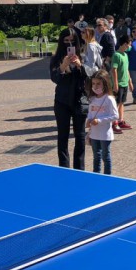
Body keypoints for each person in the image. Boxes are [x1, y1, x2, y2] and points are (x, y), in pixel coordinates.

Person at [49, 28, 86, 170]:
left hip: (79, 100)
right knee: (62, 136)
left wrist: (80, 66)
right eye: (66, 41)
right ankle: (64, 168)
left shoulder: (82, 56)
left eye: (72, 40)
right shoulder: (56, 58)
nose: (69, 44)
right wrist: (63, 66)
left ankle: (79, 169)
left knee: (80, 136)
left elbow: (90, 77)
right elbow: (54, 78)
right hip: (62, 101)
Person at [85, 70, 118, 175]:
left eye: (98, 83)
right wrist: (88, 121)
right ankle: (96, 176)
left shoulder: (109, 99)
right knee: (96, 157)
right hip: (94, 134)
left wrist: (99, 121)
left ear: (105, 83)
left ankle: (107, 177)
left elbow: (115, 116)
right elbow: (90, 113)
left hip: (105, 134)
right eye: (93, 83)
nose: (95, 86)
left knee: (105, 156)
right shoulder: (92, 98)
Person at [110, 35, 133, 132]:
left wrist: (130, 82)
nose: (129, 47)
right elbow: (114, 70)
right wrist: (115, 84)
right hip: (118, 84)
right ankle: (113, 123)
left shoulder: (125, 55)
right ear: (124, 44)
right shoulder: (116, 55)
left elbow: (127, 69)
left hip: (124, 83)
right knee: (116, 104)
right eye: (129, 45)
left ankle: (120, 121)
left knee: (122, 102)